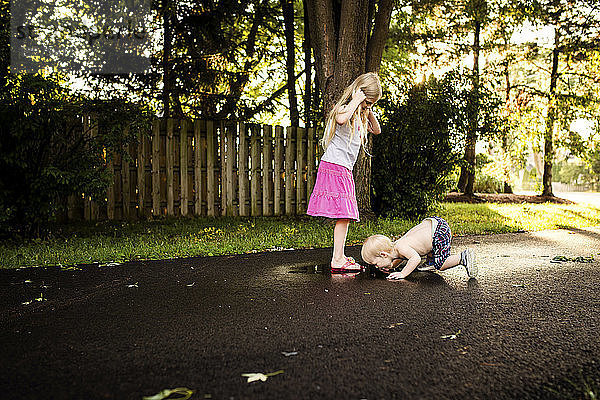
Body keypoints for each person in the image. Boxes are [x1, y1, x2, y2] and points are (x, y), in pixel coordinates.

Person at [306, 72, 382, 273]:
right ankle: (337, 258)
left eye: (371, 104)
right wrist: (356, 100)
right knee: (345, 214)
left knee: (345, 215)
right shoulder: (345, 109)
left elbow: (377, 130)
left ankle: (338, 256)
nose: (367, 106)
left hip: (342, 169)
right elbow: (340, 119)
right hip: (335, 167)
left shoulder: (361, 116)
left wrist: (369, 109)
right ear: (359, 94)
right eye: (368, 102)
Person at [360, 216, 477, 279]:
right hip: (433, 225)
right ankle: (431, 261)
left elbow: (415, 259)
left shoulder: (401, 248)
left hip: (438, 232)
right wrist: (391, 266)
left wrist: (403, 274)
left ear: (384, 255)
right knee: (427, 246)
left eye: (375, 264)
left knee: (440, 264)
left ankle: (463, 257)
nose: (376, 266)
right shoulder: (396, 248)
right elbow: (399, 258)